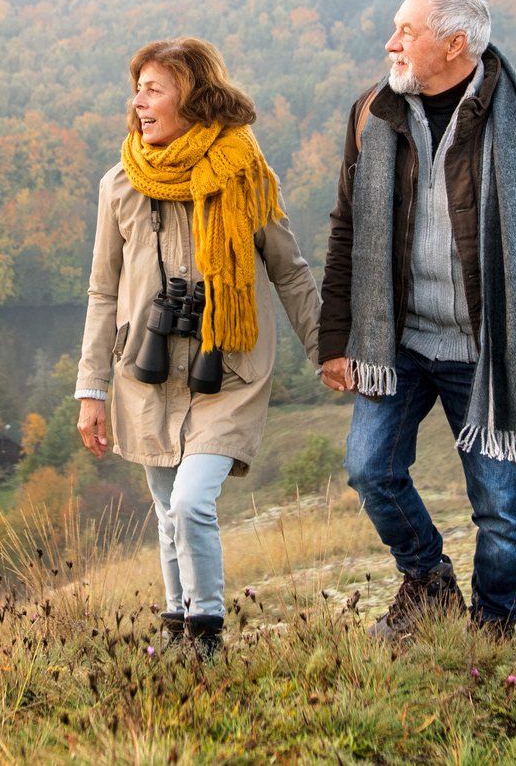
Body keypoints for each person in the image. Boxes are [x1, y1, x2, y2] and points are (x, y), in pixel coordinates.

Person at [318, 0, 516, 641]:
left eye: (406, 32)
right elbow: (347, 230)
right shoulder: (373, 112)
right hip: (398, 341)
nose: (390, 43)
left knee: (501, 509)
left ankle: (491, 632)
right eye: (394, 27)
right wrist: (335, 337)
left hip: (490, 352)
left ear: (455, 46)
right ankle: (427, 582)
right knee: (370, 470)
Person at [76, 37, 322, 658]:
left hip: (228, 368)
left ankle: (206, 634)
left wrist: (327, 350)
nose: (138, 103)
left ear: (193, 97)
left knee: (190, 502)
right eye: (137, 89)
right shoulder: (120, 185)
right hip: (146, 371)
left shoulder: (244, 178)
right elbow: (102, 293)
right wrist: (91, 389)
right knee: (165, 509)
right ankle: (176, 626)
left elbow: (289, 271)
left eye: (154, 89)